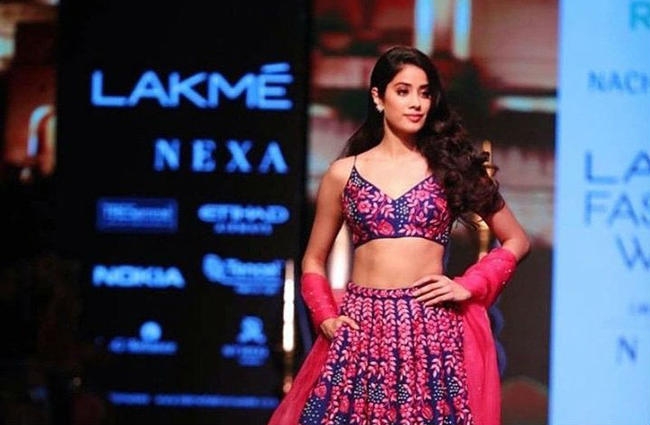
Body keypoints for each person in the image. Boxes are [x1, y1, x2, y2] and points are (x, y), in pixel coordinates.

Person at [268, 45, 530, 425]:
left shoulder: (450, 168)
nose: (416, 103)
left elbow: (517, 239)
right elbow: (313, 258)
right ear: (378, 97)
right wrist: (325, 316)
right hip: (361, 332)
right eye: (403, 91)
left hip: (429, 331)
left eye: (424, 93)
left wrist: (468, 285)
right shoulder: (343, 174)